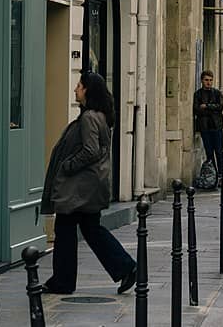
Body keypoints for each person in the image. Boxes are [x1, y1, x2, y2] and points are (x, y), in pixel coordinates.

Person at [41, 72, 136, 295]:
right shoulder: (98, 115)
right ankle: (125, 267)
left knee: (65, 229)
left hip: (80, 188)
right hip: (89, 187)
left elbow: (91, 151)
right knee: (91, 229)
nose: (75, 89)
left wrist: (68, 165)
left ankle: (63, 281)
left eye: (79, 86)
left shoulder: (89, 118)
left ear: (87, 91)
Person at [193, 70, 223, 173]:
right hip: (205, 127)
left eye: (211, 80)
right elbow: (197, 109)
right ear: (202, 80)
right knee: (209, 152)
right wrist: (212, 109)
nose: (209, 82)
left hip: (216, 126)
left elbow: (220, 107)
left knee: (219, 152)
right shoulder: (198, 94)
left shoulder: (217, 93)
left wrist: (206, 106)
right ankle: (213, 174)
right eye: (206, 80)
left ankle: (221, 174)